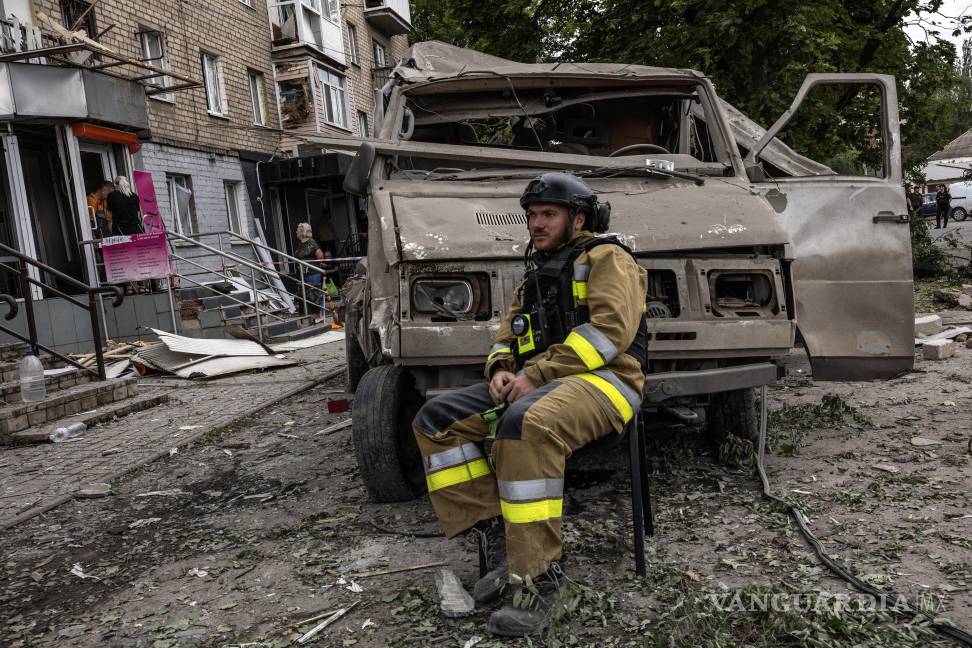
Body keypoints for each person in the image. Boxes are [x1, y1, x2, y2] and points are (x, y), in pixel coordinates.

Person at [411, 173, 648, 637]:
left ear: (577, 218)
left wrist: (534, 375)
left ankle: (542, 576)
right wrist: (500, 368)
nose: (536, 224)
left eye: (548, 215)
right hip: (537, 381)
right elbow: (508, 333)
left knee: (524, 425)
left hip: (609, 381)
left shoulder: (608, 258)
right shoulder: (536, 270)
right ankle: (504, 542)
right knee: (436, 420)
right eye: (532, 215)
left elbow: (609, 335)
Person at [294, 222, 325, 318]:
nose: (296, 232)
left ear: (302, 231)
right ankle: (311, 314)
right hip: (304, 274)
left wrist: (313, 264)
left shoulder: (311, 242)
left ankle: (319, 314)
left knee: (315, 294)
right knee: (307, 295)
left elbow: (320, 255)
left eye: (298, 230)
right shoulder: (300, 244)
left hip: (313, 273)